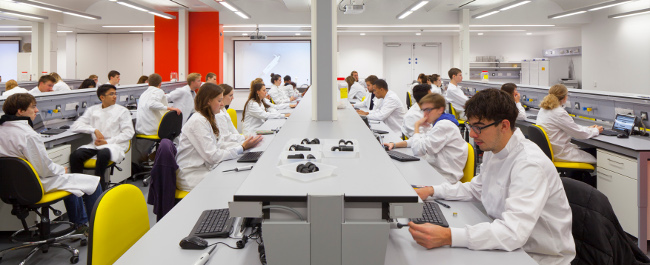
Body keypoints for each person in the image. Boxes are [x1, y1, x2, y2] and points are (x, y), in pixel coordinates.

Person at [409, 89, 575, 264]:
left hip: (538, 257)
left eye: (478, 127)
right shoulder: (494, 149)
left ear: (503, 125)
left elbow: (512, 232)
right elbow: (476, 189)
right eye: (470, 126)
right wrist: (431, 190)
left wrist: (449, 236)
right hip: (509, 245)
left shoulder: (529, 164)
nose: (472, 134)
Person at [0, 93, 102, 232]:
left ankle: (80, 224)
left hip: (10, 188)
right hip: (35, 185)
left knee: (72, 185)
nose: (37, 110)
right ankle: (97, 229)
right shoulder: (29, 135)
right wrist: (61, 169)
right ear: (20, 111)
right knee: (92, 183)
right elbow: (44, 169)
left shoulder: (3, 129)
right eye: (33, 107)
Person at [176, 83, 262, 191]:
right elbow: (213, 157)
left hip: (204, 168)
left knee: (236, 175)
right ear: (208, 101)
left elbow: (219, 144)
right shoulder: (198, 121)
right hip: (192, 175)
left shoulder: (207, 118)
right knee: (234, 182)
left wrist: (242, 147)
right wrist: (242, 148)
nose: (222, 104)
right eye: (219, 100)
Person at [387, 93, 466, 183]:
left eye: (428, 110)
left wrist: (417, 126)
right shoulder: (439, 123)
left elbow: (418, 150)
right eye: (423, 110)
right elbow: (420, 139)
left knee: (400, 180)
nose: (425, 114)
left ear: (440, 110)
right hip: (435, 171)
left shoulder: (444, 125)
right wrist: (394, 145)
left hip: (444, 178)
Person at [69, 85, 134, 189]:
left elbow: (128, 133)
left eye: (115, 94)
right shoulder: (92, 110)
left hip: (115, 145)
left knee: (103, 154)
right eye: (111, 94)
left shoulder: (122, 111)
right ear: (102, 97)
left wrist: (107, 142)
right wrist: (94, 130)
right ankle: (78, 188)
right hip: (96, 144)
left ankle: (100, 188)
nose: (115, 97)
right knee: (75, 155)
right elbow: (75, 126)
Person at [536, 84, 603, 164]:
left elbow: (571, 126)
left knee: (587, 151)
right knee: (597, 159)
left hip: (549, 152)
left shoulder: (543, 109)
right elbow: (578, 133)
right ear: (565, 97)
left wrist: (588, 128)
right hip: (560, 153)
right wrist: (596, 131)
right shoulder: (559, 112)